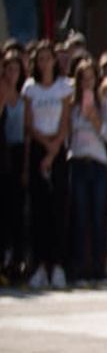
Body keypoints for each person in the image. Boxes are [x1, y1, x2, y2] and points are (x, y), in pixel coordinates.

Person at [23, 40, 73, 290]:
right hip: (39, 149)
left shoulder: (64, 87)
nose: (44, 62)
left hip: (58, 149)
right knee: (39, 209)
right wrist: (44, 147)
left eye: (47, 57)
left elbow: (65, 122)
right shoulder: (30, 88)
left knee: (58, 208)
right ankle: (41, 265)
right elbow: (29, 125)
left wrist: (54, 150)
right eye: (39, 58)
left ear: (54, 60)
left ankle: (58, 265)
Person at [67, 60, 107, 284]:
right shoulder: (72, 105)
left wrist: (95, 120)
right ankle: (79, 268)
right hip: (78, 161)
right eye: (83, 78)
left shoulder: (103, 104)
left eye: (91, 78)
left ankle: (98, 267)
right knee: (80, 216)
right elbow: (68, 135)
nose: (87, 82)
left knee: (98, 217)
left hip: (98, 164)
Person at [1, 51, 28, 282]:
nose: (12, 74)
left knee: (17, 213)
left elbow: (27, 132)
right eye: (7, 69)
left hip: (20, 155)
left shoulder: (25, 96)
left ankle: (17, 262)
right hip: (3, 153)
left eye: (15, 69)